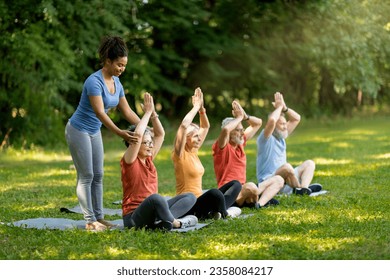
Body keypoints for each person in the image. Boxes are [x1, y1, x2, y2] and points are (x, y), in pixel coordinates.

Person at [65, 36, 140, 231]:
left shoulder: (117, 82)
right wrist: (120, 133)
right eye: (119, 64)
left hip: (93, 131)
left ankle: (100, 217)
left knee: (98, 175)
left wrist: (146, 125)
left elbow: (127, 111)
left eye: (124, 65)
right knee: (86, 175)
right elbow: (99, 112)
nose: (121, 69)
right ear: (107, 60)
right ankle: (90, 221)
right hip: (78, 130)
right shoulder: (94, 81)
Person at [121, 93, 198, 231]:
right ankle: (176, 223)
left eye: (151, 142)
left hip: (153, 212)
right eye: (146, 143)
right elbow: (138, 136)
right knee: (156, 198)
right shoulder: (130, 160)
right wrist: (147, 113)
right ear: (135, 145)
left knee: (190, 197)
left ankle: (163, 220)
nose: (151, 145)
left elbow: (160, 134)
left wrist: (153, 115)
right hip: (134, 217)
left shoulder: (149, 158)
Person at [172, 88, 242, 220]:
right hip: (189, 205)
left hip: (201, 200)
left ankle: (216, 212)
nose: (200, 139)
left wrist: (202, 109)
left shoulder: (194, 151)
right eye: (195, 136)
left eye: (199, 136)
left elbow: (205, 127)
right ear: (186, 138)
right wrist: (195, 107)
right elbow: (183, 126)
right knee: (215, 193)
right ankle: (224, 214)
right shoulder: (179, 155)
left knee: (236, 185)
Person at [212, 100, 284, 208]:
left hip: (244, 188)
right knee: (251, 187)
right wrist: (239, 118)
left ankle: (259, 204)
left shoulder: (240, 144)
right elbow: (226, 129)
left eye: (242, 130)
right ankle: (253, 199)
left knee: (279, 180)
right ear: (230, 133)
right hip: (229, 192)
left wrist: (245, 116)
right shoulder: (222, 148)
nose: (242, 133)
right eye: (238, 130)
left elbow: (258, 123)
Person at [256, 92, 322, 196]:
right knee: (286, 167)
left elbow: (297, 118)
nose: (285, 126)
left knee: (310, 163)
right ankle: (299, 188)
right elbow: (272, 120)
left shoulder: (281, 136)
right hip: (270, 181)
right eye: (282, 124)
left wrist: (285, 108)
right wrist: (279, 107)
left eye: (285, 123)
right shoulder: (265, 139)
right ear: (274, 127)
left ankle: (303, 189)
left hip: (287, 179)